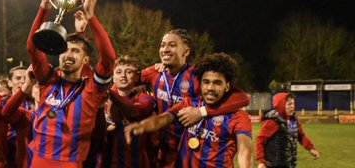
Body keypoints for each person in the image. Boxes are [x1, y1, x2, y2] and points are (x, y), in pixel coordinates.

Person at [26, 0, 116, 167]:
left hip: (71, 163)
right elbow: (32, 48)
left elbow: (108, 59)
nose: (68, 54)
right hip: (38, 161)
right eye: (65, 49)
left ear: (85, 60)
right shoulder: (48, 80)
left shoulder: (92, 88)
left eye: (75, 51)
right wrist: (44, 5)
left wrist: (92, 17)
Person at [139, 29, 250, 167]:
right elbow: (123, 79)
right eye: (162, 45)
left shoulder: (198, 75)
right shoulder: (154, 72)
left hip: (189, 147)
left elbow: (243, 98)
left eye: (172, 45)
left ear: (186, 52)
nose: (165, 49)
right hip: (162, 149)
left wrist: (202, 111)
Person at [100, 55, 156, 168]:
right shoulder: (102, 99)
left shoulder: (146, 99)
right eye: (119, 72)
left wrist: (109, 93)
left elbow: (133, 111)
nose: (123, 76)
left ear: (137, 77)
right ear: (113, 77)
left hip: (134, 163)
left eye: (129, 72)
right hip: (105, 162)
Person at [256, 93, 320, 168]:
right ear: (281, 105)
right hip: (273, 165)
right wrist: (261, 161)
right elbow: (260, 141)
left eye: (293, 103)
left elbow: (301, 136)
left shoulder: (294, 120)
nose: (292, 106)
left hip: (288, 164)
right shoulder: (273, 122)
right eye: (289, 104)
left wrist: (311, 148)